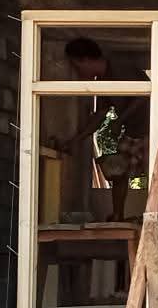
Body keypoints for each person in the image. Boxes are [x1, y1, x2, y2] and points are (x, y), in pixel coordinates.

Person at [57, 38, 149, 222]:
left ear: (85, 60)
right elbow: (100, 115)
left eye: (77, 66)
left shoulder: (119, 67)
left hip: (151, 127)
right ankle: (118, 215)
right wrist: (77, 140)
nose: (78, 72)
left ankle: (154, 216)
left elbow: (146, 93)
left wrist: (120, 120)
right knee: (119, 170)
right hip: (133, 131)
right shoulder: (103, 81)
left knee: (155, 170)